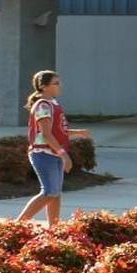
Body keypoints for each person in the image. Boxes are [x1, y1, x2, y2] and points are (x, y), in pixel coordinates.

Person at [16, 70, 90, 225]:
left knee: (55, 194)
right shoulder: (43, 105)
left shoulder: (53, 104)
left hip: (53, 153)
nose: (59, 86)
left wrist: (78, 133)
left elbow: (58, 132)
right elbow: (46, 134)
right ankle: (17, 225)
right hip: (43, 154)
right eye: (55, 83)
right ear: (43, 87)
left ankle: (54, 230)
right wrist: (64, 154)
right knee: (49, 192)